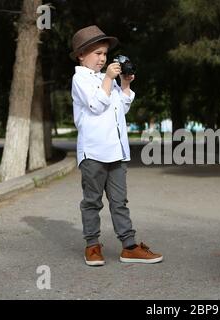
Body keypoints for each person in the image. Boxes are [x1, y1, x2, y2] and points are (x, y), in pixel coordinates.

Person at [70, 25, 163, 266]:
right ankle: (92, 246)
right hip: (93, 153)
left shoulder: (105, 79)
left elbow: (120, 107)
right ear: (81, 55)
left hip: (116, 152)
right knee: (92, 201)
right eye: (97, 53)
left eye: (104, 54)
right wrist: (109, 79)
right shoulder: (79, 78)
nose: (102, 58)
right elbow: (95, 105)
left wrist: (124, 84)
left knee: (120, 201)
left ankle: (129, 246)